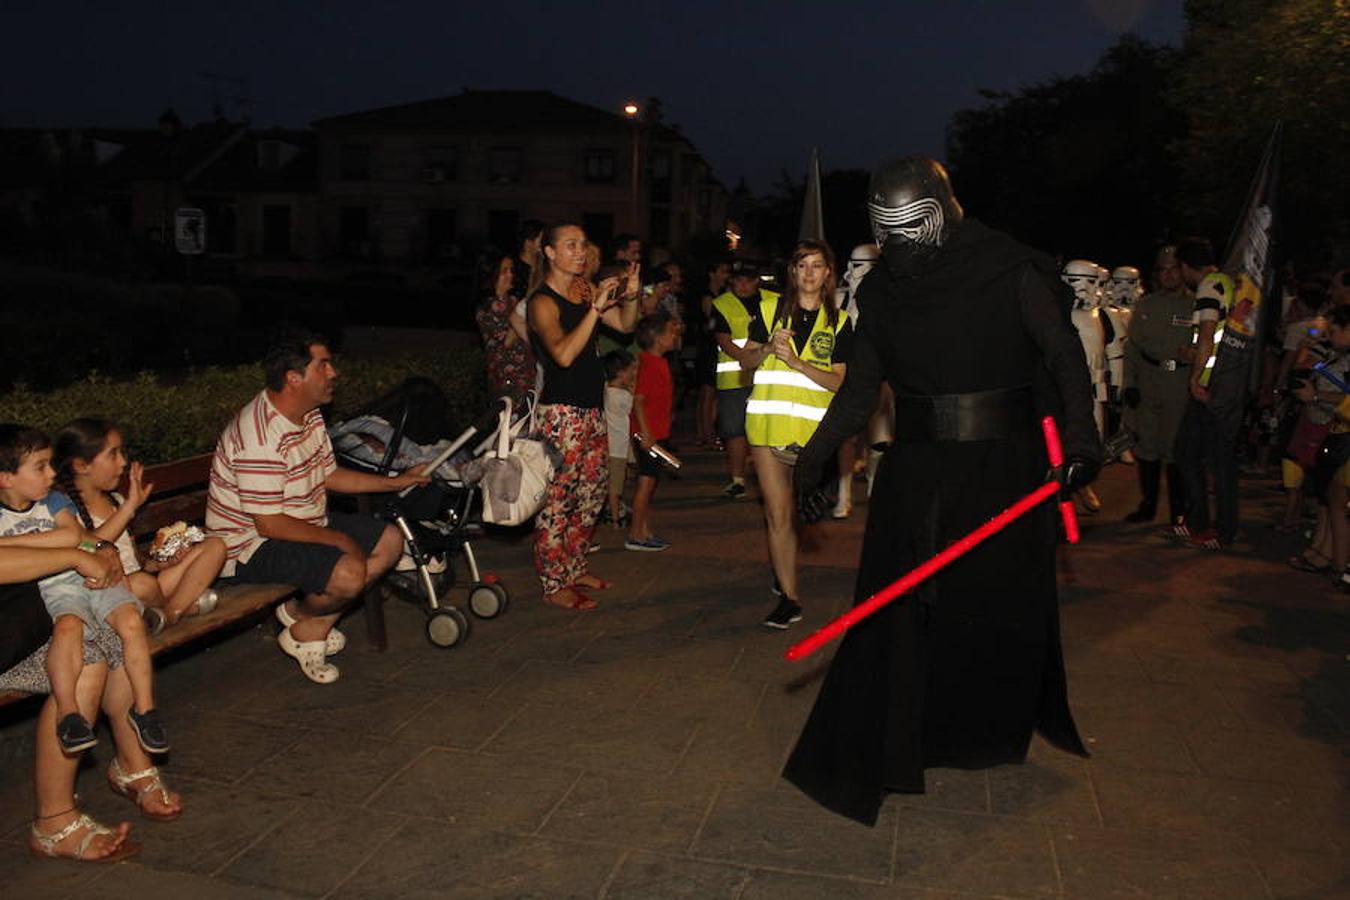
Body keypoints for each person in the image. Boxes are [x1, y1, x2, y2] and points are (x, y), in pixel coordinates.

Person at [782, 156, 1101, 826]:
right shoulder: (883, 294)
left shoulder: (1007, 269)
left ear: (941, 212)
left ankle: (980, 730)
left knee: (995, 603)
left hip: (1004, 467)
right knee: (902, 612)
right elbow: (862, 392)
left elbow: (1063, 357)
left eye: (909, 228)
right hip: (919, 470)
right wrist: (810, 459)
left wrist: (1080, 440)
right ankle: (902, 742)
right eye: (884, 232)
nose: (897, 246)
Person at [205, 327, 428, 683]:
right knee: (349, 571)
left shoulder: (308, 416)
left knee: (390, 541)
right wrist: (340, 541)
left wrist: (396, 481)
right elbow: (270, 525)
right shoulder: (259, 436)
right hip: (250, 546)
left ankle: (305, 623)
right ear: (294, 378)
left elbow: (329, 475)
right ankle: (301, 616)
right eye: (323, 366)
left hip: (302, 523)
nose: (333, 373)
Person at [1, 545, 183, 863]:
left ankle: (132, 764)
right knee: (84, 666)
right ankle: (53, 822)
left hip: (27, 614)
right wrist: (74, 554)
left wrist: (99, 548)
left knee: (116, 636)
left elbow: (51, 524)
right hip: (11, 633)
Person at [0, 423, 167, 756]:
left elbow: (71, 536)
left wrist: (12, 544)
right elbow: (70, 540)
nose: (51, 473)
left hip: (90, 578)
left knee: (130, 623)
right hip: (55, 591)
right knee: (70, 629)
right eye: (40, 467)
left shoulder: (54, 499)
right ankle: (69, 715)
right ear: (6, 478)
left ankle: (146, 710)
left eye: (50, 464)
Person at [526, 223, 640, 610]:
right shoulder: (542, 301)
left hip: (592, 409)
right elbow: (562, 354)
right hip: (561, 414)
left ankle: (573, 566)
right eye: (570, 245)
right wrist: (593, 310)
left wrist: (632, 298)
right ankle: (553, 581)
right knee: (557, 502)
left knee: (589, 496)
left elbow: (625, 326)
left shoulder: (584, 290)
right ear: (550, 253)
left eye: (583, 244)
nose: (580, 251)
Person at [741, 240, 852, 627]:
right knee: (778, 513)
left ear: (827, 274)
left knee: (800, 515)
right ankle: (789, 597)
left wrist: (800, 364)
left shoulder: (839, 322)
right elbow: (745, 362)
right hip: (766, 429)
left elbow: (840, 382)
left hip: (813, 438)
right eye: (802, 265)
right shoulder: (769, 310)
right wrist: (766, 349)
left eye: (816, 266)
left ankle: (783, 567)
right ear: (792, 272)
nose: (808, 273)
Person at [54, 418, 227, 628]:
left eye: (121, 453)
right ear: (81, 465)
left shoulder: (114, 500)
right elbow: (90, 544)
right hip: (109, 595)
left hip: (147, 586)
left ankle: (168, 612)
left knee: (214, 546)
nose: (122, 462)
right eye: (113, 454)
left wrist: (161, 564)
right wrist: (129, 507)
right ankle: (182, 608)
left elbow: (135, 561)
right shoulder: (64, 512)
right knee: (142, 584)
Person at [1172, 236, 1261, 550]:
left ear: (1185, 267)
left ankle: (1217, 529)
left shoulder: (1210, 286)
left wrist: (1195, 376)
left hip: (1212, 388)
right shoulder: (1231, 282)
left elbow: (1209, 334)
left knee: (1202, 457)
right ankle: (1207, 524)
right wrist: (1194, 353)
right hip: (1228, 384)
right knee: (1204, 456)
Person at [1120, 247, 1193, 525]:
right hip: (1149, 380)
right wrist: (1130, 384)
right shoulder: (1146, 305)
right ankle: (1147, 505)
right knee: (1147, 445)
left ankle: (1179, 511)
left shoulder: (1196, 305)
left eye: (1173, 268)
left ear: (1184, 270)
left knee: (1174, 447)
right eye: (1162, 269)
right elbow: (1133, 348)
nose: (1168, 274)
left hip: (1179, 381)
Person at [711, 259, 780, 498]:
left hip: (769, 377)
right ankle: (737, 479)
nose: (742, 285)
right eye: (737, 280)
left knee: (766, 428)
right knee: (734, 430)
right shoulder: (722, 303)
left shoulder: (775, 300)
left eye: (747, 280)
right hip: (734, 379)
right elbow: (723, 338)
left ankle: (769, 479)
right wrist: (747, 358)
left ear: (757, 281)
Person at [627, 311, 681, 551]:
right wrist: (647, 434)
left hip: (658, 431)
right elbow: (638, 400)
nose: (675, 335)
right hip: (648, 435)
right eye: (670, 331)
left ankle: (644, 530)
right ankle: (636, 535)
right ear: (657, 338)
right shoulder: (648, 363)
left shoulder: (658, 362)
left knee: (650, 485)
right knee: (645, 484)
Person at [1061, 258, 1108, 513]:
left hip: (1093, 388)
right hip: (1069, 392)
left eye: (1089, 281)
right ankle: (1068, 492)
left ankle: (1083, 482)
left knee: (1094, 441)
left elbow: (1106, 355)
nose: (1082, 288)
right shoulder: (1056, 316)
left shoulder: (1098, 316)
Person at [476, 250, 537, 405]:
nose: (510, 275)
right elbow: (507, 341)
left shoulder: (513, 300)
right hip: (507, 379)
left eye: (511, 270)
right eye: (504, 271)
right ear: (492, 275)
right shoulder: (488, 308)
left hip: (528, 372)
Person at [694, 260, 732, 448]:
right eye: (722, 271)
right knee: (707, 392)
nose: (726, 276)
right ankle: (706, 434)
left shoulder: (723, 294)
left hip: (716, 347)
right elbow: (712, 320)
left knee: (712, 392)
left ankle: (707, 433)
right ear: (712, 274)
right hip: (708, 347)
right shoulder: (708, 296)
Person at [602, 350, 637, 528]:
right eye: (632, 370)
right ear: (621, 372)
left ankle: (613, 510)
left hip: (607, 444)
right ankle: (616, 519)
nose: (634, 374)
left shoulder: (605, 390)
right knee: (616, 485)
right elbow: (635, 410)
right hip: (618, 447)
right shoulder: (623, 396)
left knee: (611, 481)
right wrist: (632, 390)